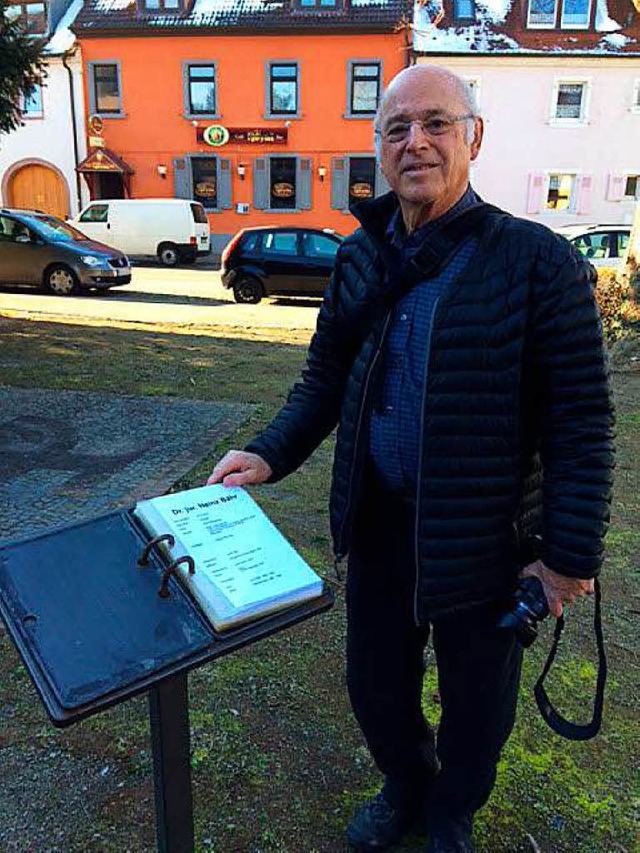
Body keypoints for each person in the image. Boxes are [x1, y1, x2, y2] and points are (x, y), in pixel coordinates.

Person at [208, 65, 615, 853]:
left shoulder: (537, 262)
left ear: (475, 138)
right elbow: (325, 380)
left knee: (478, 698)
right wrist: (266, 453)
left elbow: (582, 420)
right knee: (376, 684)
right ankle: (405, 780)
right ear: (380, 149)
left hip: (486, 536)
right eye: (397, 129)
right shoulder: (360, 258)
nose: (416, 142)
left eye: (435, 123)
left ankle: (453, 807)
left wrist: (566, 559)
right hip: (381, 521)